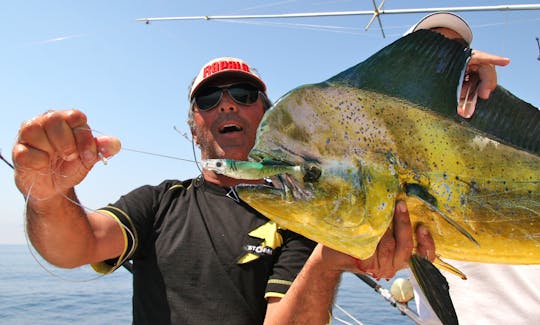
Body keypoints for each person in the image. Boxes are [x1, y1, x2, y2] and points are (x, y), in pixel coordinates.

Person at [12, 56, 417, 325]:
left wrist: (328, 262)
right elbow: (72, 248)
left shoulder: (301, 214)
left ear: (267, 115)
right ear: (193, 127)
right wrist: (47, 197)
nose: (226, 105)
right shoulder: (159, 202)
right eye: (208, 98)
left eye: (243, 95)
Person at [406, 12, 540, 325]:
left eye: (457, 53)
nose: (449, 65)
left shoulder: (518, 145)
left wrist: (490, 101)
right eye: (430, 54)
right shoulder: (396, 151)